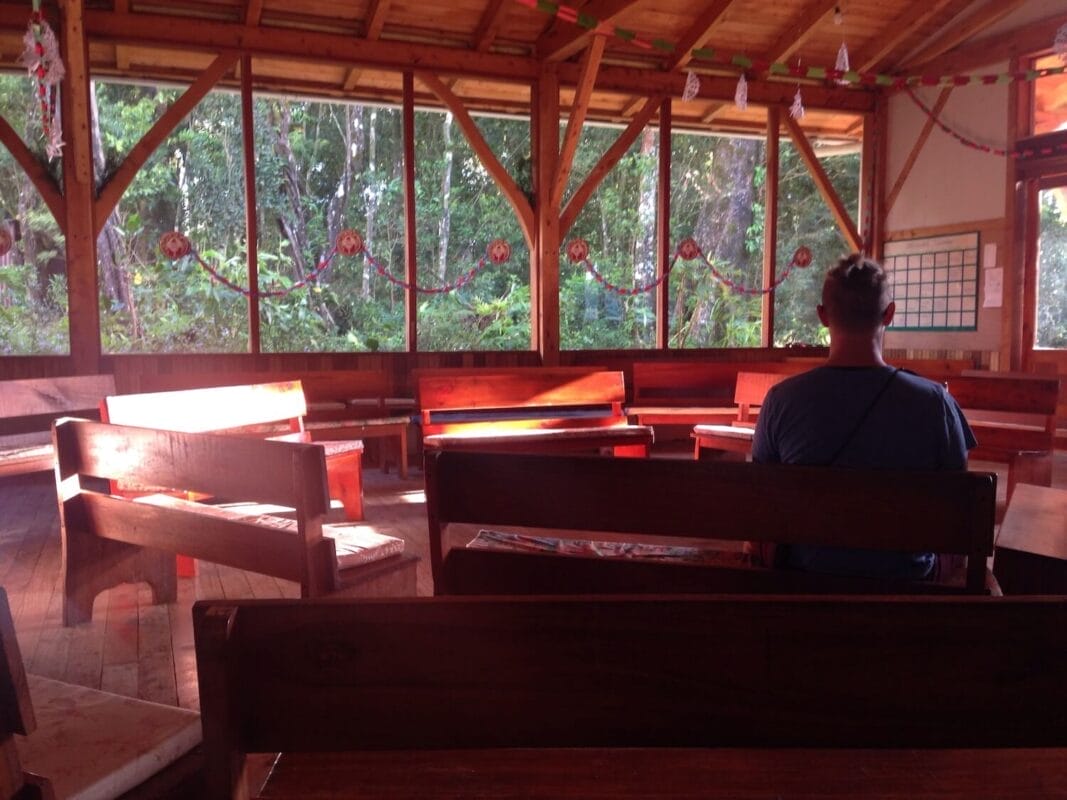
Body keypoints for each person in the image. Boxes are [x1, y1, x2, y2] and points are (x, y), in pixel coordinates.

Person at [752, 253, 976, 580]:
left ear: (823, 316)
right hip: (908, 581)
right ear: (890, 314)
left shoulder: (781, 401)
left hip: (806, 576)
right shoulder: (935, 404)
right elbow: (960, 508)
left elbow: (760, 502)